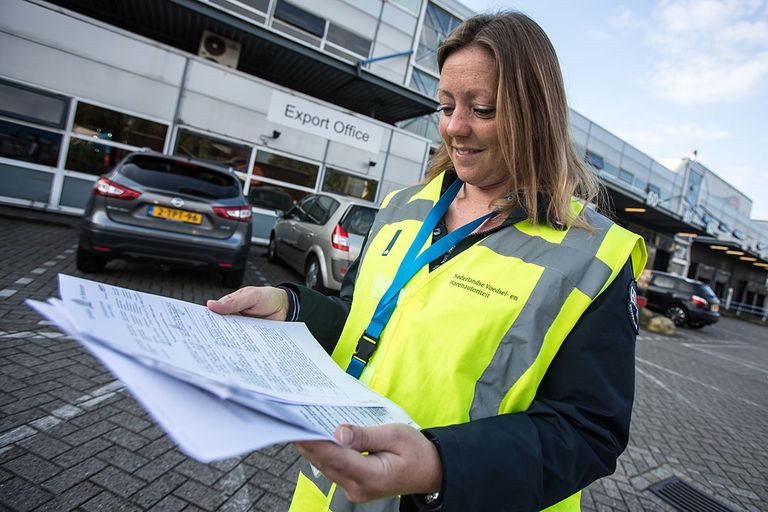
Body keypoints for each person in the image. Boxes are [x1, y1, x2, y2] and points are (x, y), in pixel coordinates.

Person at [208, 11, 646, 512]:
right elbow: (363, 322)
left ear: (535, 115)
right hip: (331, 495)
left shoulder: (594, 255)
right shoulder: (402, 207)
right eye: (445, 106)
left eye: (482, 109)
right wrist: (292, 306)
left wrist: (441, 465)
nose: (454, 128)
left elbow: (588, 432)